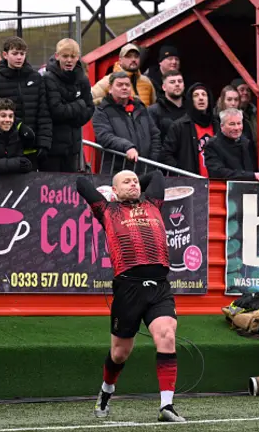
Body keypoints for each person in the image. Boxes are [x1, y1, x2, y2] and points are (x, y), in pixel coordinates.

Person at [76, 169, 185, 422]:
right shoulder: (106, 209)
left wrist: (134, 184)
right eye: (127, 182)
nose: (134, 184)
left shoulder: (153, 203)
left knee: (167, 336)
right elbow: (82, 182)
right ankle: (106, 391)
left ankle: (166, 406)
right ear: (114, 190)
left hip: (159, 285)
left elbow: (156, 175)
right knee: (120, 353)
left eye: (136, 181)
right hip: (128, 288)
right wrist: (110, 192)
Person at [0, 36, 52, 170]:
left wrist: (44, 142)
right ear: (5, 55)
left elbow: (44, 112)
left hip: (33, 147)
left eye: (22, 54)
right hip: (7, 147)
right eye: (15, 53)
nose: (19, 57)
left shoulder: (36, 78)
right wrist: (19, 126)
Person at [92, 71, 161, 172]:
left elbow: (154, 134)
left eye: (127, 85)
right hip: (117, 170)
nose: (124, 87)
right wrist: (127, 147)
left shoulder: (140, 107)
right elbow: (104, 136)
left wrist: (152, 159)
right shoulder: (102, 110)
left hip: (146, 168)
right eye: (119, 85)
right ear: (110, 89)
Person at [43, 38, 94, 172]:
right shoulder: (48, 78)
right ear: (57, 56)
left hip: (73, 147)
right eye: (65, 56)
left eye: (73, 56)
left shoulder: (82, 79)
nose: (69, 60)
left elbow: (90, 108)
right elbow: (56, 111)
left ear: (78, 57)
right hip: (53, 148)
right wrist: (79, 105)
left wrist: (74, 117)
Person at [204, 108, 259, 184]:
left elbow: (253, 169)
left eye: (239, 123)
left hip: (249, 190)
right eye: (232, 124)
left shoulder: (246, 142)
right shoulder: (212, 145)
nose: (237, 128)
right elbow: (218, 173)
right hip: (224, 191)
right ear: (222, 126)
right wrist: (251, 176)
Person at [92, 43, 156, 107]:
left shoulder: (147, 81)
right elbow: (89, 99)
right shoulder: (108, 80)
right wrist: (109, 105)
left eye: (136, 56)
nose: (133, 59)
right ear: (120, 60)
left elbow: (154, 107)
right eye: (128, 56)